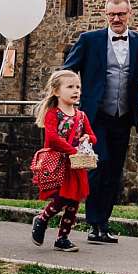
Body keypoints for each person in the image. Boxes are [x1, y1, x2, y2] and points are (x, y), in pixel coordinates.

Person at [64, 0, 138, 244]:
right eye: (112, 15)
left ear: (129, 13)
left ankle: (103, 224)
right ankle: (94, 224)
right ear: (105, 15)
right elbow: (67, 69)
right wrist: (70, 97)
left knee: (115, 172)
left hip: (124, 116)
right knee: (100, 165)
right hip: (96, 116)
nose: (116, 19)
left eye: (121, 14)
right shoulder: (89, 40)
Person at [29, 68, 98, 253]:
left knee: (74, 200)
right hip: (59, 162)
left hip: (76, 164)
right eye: (70, 87)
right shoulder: (53, 113)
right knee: (62, 197)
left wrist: (87, 139)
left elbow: (93, 136)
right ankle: (43, 218)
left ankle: (63, 238)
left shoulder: (81, 116)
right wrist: (72, 150)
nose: (76, 90)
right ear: (57, 91)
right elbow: (51, 138)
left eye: (78, 87)